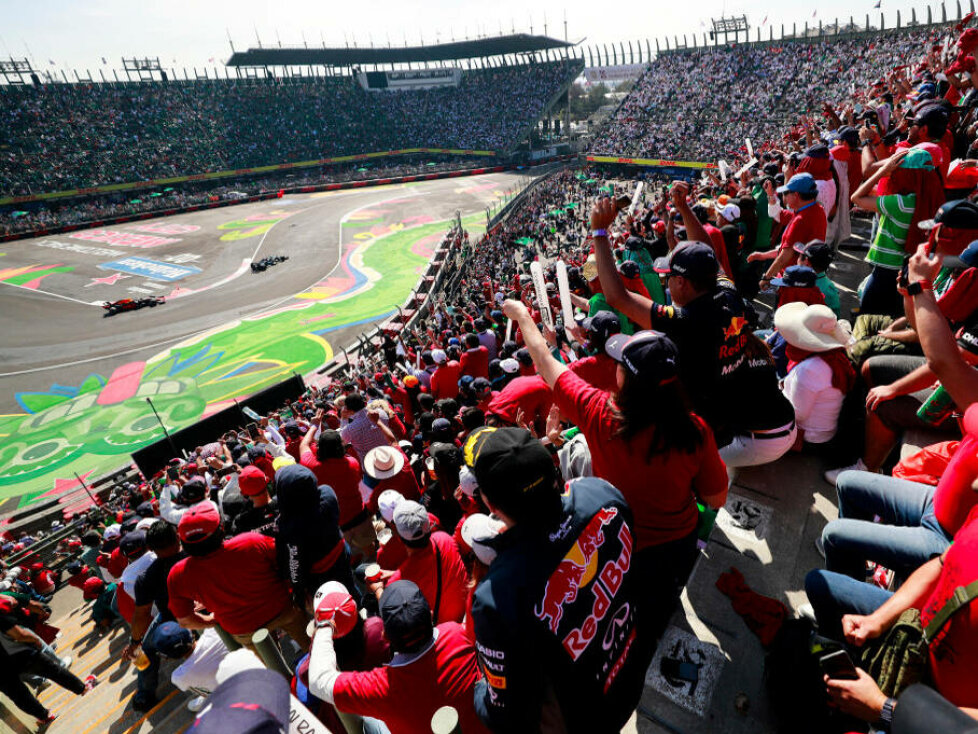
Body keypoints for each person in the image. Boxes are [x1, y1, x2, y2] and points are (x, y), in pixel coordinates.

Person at [503, 298, 727, 642]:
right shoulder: (695, 429)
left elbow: (545, 361)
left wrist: (521, 314)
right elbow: (717, 497)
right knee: (668, 605)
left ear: (624, 377)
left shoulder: (598, 413)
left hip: (620, 545)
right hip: (677, 545)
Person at [464, 427, 647, 732]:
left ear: (490, 504)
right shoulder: (602, 493)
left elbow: (504, 710)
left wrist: (479, 689)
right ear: (553, 469)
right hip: (634, 668)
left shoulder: (497, 597)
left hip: (590, 719)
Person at [307, 579, 490, 734]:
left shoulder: (381, 688)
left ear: (385, 636)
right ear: (430, 615)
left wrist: (325, 624)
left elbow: (319, 680)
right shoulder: (457, 634)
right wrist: (379, 591)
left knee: (370, 722)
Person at [167, 500, 310, 650]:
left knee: (268, 664)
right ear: (221, 528)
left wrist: (211, 621)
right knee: (313, 647)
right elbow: (289, 563)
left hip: (243, 630)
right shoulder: (251, 542)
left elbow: (185, 620)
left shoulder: (178, 575)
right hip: (283, 609)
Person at [850, 148, 945, 316]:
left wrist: (881, 172)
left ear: (907, 175)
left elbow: (856, 198)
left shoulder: (901, 203)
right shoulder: (936, 200)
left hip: (885, 271)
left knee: (868, 317)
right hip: (910, 271)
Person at [0, 595, 96, 725]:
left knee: (18, 694)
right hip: (19, 653)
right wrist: (34, 640)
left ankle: (44, 716)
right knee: (53, 671)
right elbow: (19, 634)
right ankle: (83, 689)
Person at [373, 500, 469, 625]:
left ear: (400, 539)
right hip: (466, 612)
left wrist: (377, 589)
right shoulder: (444, 538)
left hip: (442, 628)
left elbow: (391, 613)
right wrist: (393, 574)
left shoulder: (398, 582)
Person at [125, 520, 187, 711]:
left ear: (150, 548)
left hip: (172, 619)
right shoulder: (196, 553)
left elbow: (141, 614)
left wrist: (134, 642)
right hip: (209, 608)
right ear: (178, 537)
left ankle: (145, 695)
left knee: (143, 650)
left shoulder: (146, 578)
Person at [775, 302, 856, 449]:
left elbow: (798, 414)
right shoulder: (835, 356)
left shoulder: (810, 370)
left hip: (810, 437)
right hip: (824, 431)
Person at [274, 464, 355, 606]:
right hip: (341, 553)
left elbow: (294, 563)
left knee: (333, 603)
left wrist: (299, 590)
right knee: (350, 587)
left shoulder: (288, 528)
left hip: (320, 576)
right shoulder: (327, 494)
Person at [300, 424, 375, 564]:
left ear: (320, 448)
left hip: (336, 524)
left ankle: (354, 564)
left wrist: (314, 425)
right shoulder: (352, 463)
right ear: (340, 446)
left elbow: (304, 444)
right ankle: (372, 563)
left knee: (346, 555)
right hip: (359, 515)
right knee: (369, 548)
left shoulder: (312, 465)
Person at [229, 465, 279, 536]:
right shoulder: (284, 502)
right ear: (267, 480)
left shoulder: (242, 522)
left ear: (243, 493)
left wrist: (247, 477)